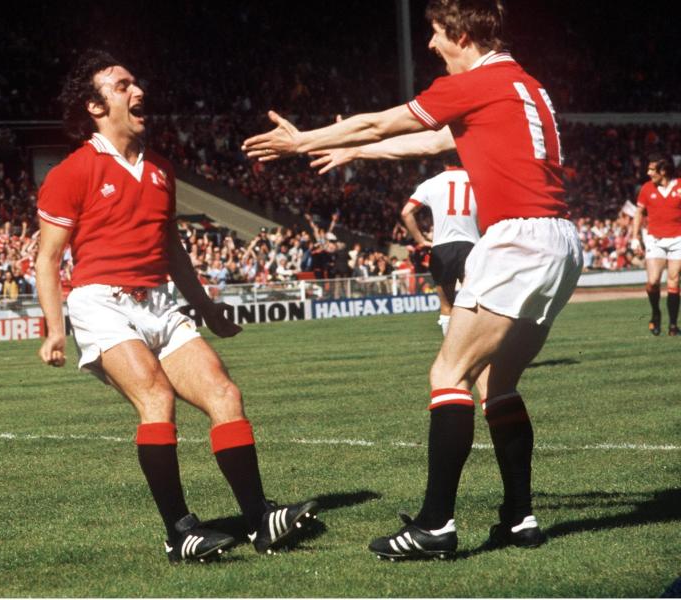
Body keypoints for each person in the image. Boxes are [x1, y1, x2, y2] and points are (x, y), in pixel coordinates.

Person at [243, 0, 582, 559]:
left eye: (435, 32)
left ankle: (434, 525)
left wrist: (304, 140)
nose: (430, 44)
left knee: (448, 372)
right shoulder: (525, 86)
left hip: (517, 237)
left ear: (463, 33)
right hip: (559, 239)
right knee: (497, 383)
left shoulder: (474, 81)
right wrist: (350, 147)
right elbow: (430, 141)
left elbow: (385, 119)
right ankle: (520, 518)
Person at [35, 50, 318, 564]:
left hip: (159, 303)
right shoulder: (71, 172)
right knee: (156, 399)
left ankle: (260, 520)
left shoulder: (162, 170)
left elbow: (173, 251)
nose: (136, 90)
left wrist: (206, 310)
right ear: (95, 107)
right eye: (122, 86)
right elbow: (48, 257)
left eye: (135, 81)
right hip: (101, 303)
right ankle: (179, 532)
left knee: (225, 394)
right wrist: (55, 329)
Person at [400, 158, 480, 335]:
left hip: (441, 249)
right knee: (475, 303)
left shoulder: (431, 183)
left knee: (446, 306)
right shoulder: (478, 179)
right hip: (471, 246)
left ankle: (450, 358)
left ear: (443, 162)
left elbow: (406, 213)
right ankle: (478, 354)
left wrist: (420, 240)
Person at [630, 155, 681, 336]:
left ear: (664, 171)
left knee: (674, 281)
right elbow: (638, 213)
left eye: (652, 169)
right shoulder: (646, 188)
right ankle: (656, 313)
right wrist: (635, 237)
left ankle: (673, 325)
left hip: (678, 239)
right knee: (653, 282)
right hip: (655, 239)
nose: (648, 173)